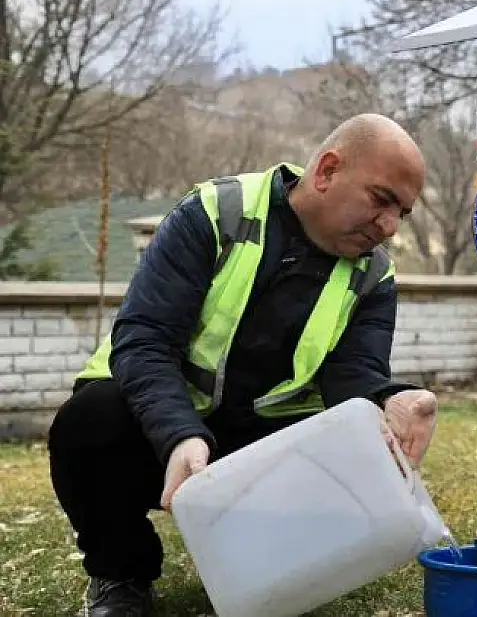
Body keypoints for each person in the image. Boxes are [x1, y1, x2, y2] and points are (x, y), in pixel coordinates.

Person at [47, 113, 438, 617]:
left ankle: (265, 570)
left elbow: (354, 378)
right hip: (165, 433)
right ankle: (121, 575)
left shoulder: (375, 278)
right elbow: (144, 340)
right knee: (88, 421)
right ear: (326, 171)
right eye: (381, 200)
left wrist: (391, 400)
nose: (388, 226)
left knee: (355, 448)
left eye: (401, 213)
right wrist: (179, 435)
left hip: (266, 448)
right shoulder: (213, 214)